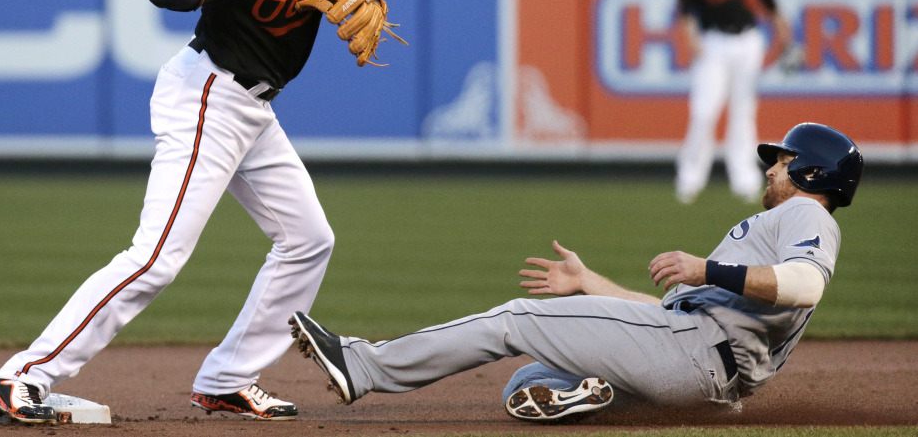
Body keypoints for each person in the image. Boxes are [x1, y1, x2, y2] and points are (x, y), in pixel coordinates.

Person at [0, 0, 359, 423]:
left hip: (256, 108)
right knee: (157, 256)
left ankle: (228, 378)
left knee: (309, 240)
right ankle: (23, 375)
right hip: (208, 98)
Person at [291, 122, 862, 423]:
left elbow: (806, 284)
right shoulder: (795, 217)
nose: (772, 168)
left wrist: (703, 267)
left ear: (811, 173)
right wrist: (592, 285)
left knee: (515, 320)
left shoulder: (807, 213)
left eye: (783, 160)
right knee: (528, 384)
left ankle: (362, 366)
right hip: (701, 375)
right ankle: (601, 391)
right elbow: (661, 321)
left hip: (693, 355)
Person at [675, 0, 791, 205]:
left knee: (743, 112)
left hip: (747, 41)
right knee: (703, 111)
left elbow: (769, 4)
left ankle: (744, 180)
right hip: (712, 42)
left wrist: (785, 37)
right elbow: (687, 11)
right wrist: (693, 42)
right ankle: (690, 178)